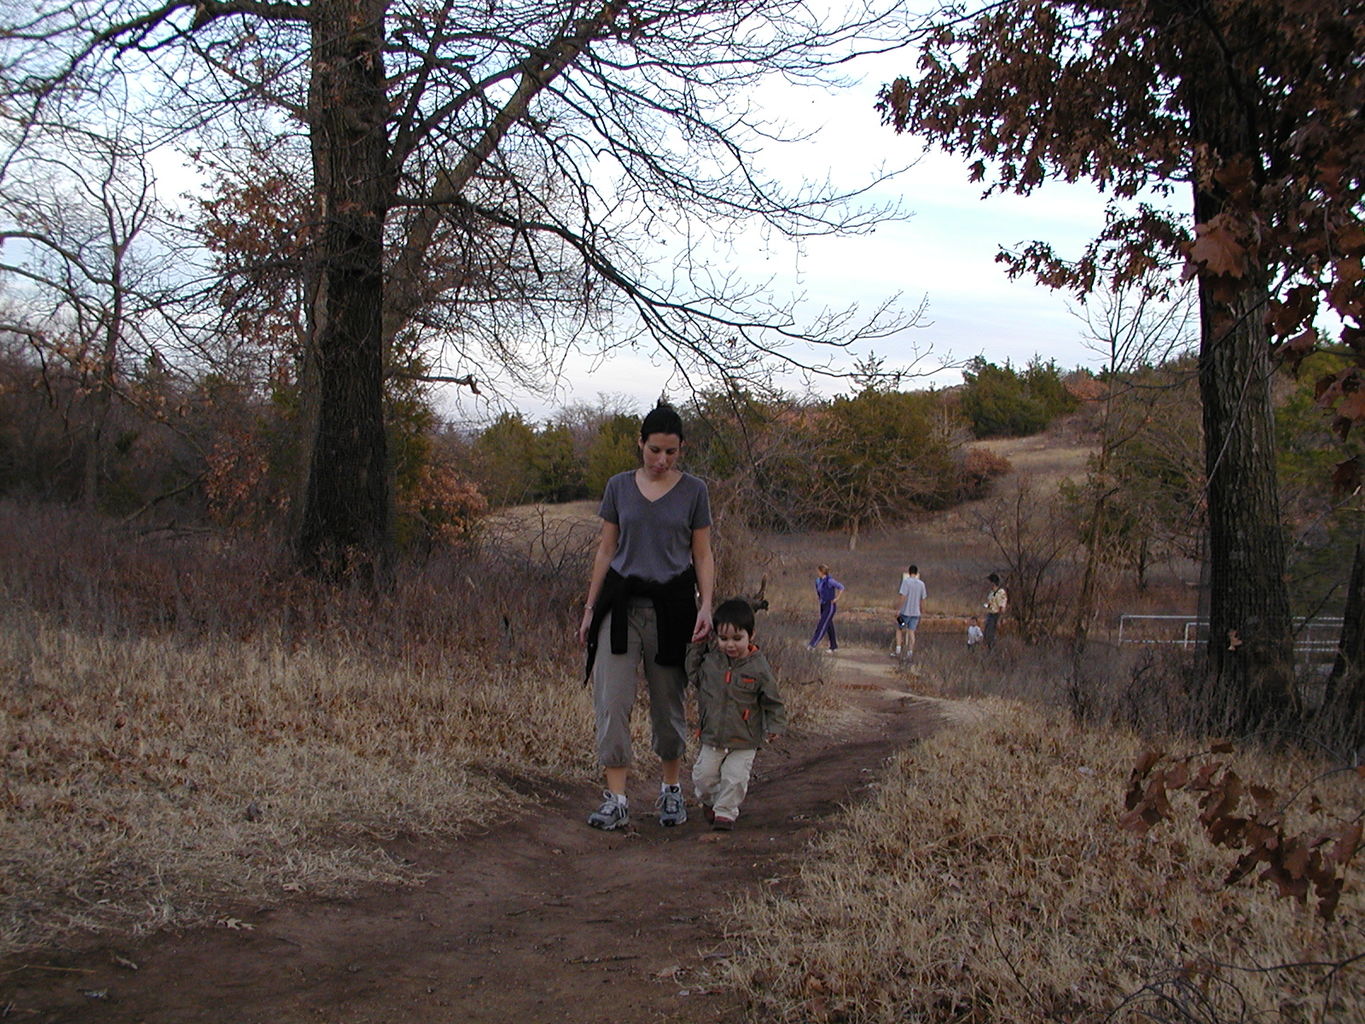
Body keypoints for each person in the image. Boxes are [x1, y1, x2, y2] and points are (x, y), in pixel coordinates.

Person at [578, 403, 715, 831]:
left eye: (671, 453)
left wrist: (706, 604)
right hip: (619, 606)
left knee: (667, 705)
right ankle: (616, 798)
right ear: (640, 443)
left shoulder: (695, 491)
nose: (662, 461)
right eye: (654, 450)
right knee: (612, 701)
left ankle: (671, 791)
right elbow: (606, 548)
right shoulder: (619, 487)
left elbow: (703, 553)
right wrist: (589, 609)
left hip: (672, 607)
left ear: (681, 450)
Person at [687, 598, 786, 831]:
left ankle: (725, 814)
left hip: (745, 738)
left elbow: (773, 699)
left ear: (750, 635)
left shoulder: (758, 667)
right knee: (703, 777)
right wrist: (697, 645)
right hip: (712, 735)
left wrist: (775, 725)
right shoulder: (711, 662)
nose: (730, 645)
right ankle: (710, 803)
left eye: (737, 638)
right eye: (723, 639)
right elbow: (693, 674)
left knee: (735, 777)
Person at [807, 564, 845, 651]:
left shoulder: (830, 580)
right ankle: (834, 646)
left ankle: (812, 644)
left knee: (822, 625)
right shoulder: (818, 581)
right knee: (829, 625)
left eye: (818, 571)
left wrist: (836, 598)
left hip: (830, 605)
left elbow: (841, 587)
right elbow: (819, 591)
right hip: (823, 604)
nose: (817, 573)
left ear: (822, 571)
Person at [894, 564, 927, 659]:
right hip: (916, 613)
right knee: (911, 632)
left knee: (900, 628)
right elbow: (923, 599)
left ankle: (898, 649)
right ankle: (910, 653)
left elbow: (903, 596)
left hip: (905, 613)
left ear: (909, 572)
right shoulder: (922, 584)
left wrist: (898, 609)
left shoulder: (906, 582)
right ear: (916, 573)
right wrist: (922, 611)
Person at [984, 573, 1008, 648]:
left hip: (996, 615)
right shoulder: (991, 593)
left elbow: (1002, 606)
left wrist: (999, 619)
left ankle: (993, 649)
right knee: (987, 634)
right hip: (990, 614)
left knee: (992, 634)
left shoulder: (1001, 593)